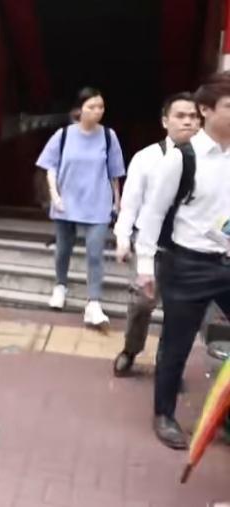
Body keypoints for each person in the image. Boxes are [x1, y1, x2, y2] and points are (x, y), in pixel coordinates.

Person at [134, 72, 230, 450]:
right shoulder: (182, 158)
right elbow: (153, 213)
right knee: (177, 344)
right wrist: (145, 266)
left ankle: (224, 412)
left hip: (227, 261)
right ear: (206, 110)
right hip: (188, 265)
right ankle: (164, 414)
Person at [111, 93, 199, 377]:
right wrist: (123, 238)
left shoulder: (211, 161)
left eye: (193, 116)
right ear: (165, 121)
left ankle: (168, 364)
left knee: (180, 312)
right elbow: (131, 204)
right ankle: (131, 349)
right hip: (152, 244)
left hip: (190, 250)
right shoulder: (147, 158)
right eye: (180, 116)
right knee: (142, 303)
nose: (188, 122)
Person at [36, 87, 126, 327]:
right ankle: (60, 286)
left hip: (98, 201)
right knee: (63, 248)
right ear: (79, 110)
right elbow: (50, 167)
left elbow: (115, 174)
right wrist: (55, 195)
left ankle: (94, 302)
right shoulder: (64, 135)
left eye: (101, 107)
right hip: (67, 200)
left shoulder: (108, 136)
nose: (97, 111)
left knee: (95, 252)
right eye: (91, 107)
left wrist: (117, 203)